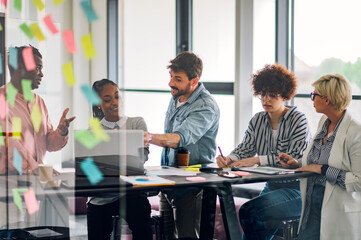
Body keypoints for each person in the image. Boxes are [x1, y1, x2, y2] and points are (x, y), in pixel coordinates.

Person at [216, 64, 311, 240]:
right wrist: (229, 159)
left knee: (249, 212)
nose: (266, 99)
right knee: (251, 218)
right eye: (263, 94)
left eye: (273, 95)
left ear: (285, 96)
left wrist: (257, 160)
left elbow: (292, 158)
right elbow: (246, 147)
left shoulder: (299, 120)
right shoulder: (257, 120)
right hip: (273, 186)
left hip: (298, 190)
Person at [144, 51, 220, 239]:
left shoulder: (206, 106)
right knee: (167, 235)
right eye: (171, 77)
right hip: (170, 179)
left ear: (194, 81)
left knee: (187, 235)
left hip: (192, 185)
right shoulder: (177, 97)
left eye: (177, 79)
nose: (171, 83)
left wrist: (146, 137)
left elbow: (178, 138)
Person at [279, 74, 361, 240]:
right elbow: (320, 159)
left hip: (336, 208)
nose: (312, 99)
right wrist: (297, 163)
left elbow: (359, 181)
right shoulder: (324, 121)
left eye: (314, 95)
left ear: (326, 99)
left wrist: (323, 170)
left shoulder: (356, 132)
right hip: (312, 203)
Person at [86, 79, 153, 240]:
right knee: (96, 223)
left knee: (141, 210)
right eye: (108, 100)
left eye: (117, 96)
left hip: (130, 191)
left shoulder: (136, 123)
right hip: (103, 195)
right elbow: (88, 167)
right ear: (98, 105)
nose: (115, 102)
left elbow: (143, 156)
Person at [0, 45, 75, 174]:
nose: (41, 74)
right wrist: (37, 169)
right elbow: (10, 145)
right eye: (38, 68)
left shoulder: (38, 101)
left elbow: (48, 144)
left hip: (36, 178)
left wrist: (60, 132)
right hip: (10, 181)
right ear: (19, 67)